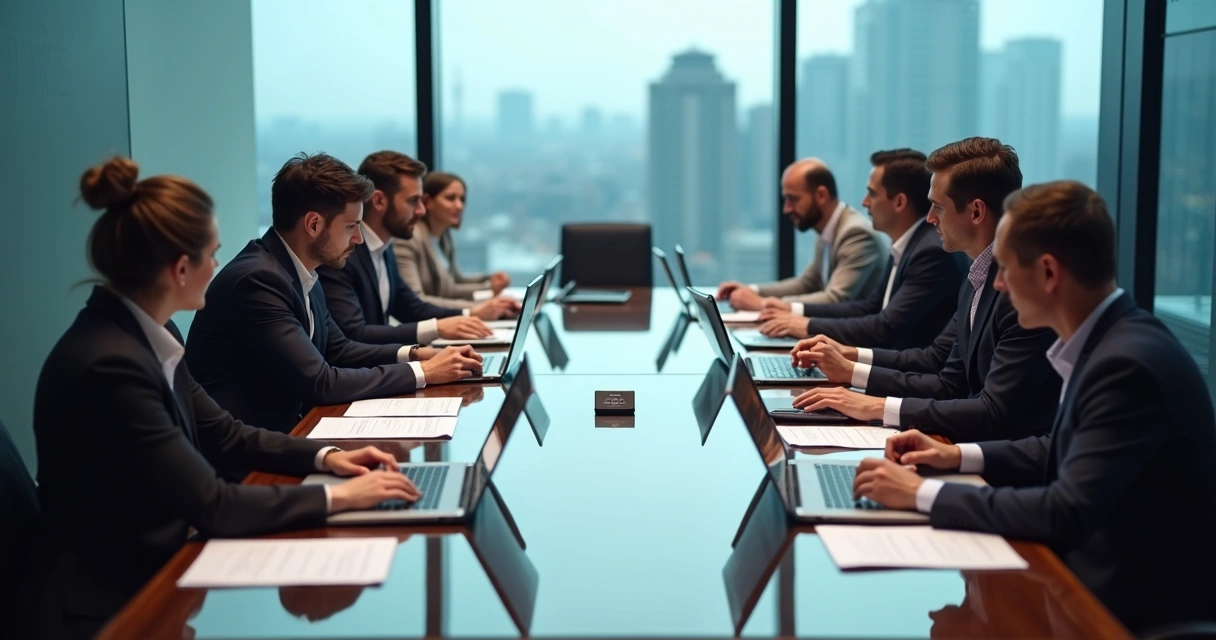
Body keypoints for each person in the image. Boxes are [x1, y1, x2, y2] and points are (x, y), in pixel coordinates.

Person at [12, 157, 422, 640]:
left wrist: (331, 458)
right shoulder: (111, 363)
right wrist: (336, 497)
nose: (219, 266)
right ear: (180, 268)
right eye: (213, 254)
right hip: (106, 603)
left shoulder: (149, 333)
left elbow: (224, 433)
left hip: (150, 562)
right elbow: (213, 504)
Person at [851, 180, 1216, 632]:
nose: (999, 284)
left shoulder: (1126, 364)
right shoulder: (1110, 339)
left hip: (1123, 612)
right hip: (1084, 585)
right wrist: (956, 455)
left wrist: (921, 494)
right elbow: (1058, 449)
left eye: (1004, 267)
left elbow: (1064, 511)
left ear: (1047, 273)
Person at [186, 153, 484, 433]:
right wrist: (425, 372)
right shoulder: (259, 280)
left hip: (288, 432)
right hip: (250, 454)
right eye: (351, 226)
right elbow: (321, 382)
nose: (357, 238)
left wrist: (419, 354)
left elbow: (339, 350)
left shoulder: (301, 269)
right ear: (314, 224)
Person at [792, 138, 1059, 443]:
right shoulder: (978, 275)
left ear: (975, 212)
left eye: (938, 207)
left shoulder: (1019, 292)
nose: (930, 218)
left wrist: (875, 404)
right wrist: (851, 366)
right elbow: (948, 377)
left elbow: (994, 413)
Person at [755, 149, 967, 348]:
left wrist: (806, 325)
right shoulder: (909, 244)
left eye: (872, 194)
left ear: (899, 202)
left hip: (906, 373)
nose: (864, 202)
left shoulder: (930, 252)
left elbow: (884, 328)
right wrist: (797, 314)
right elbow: (868, 307)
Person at [318, 151, 514, 345]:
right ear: (379, 201)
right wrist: (436, 331)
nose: (421, 210)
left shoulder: (384, 248)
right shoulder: (343, 253)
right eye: (413, 201)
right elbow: (355, 334)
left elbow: (412, 308)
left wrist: (468, 315)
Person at [716, 158, 886, 311]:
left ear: (821, 195)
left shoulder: (855, 233)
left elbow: (836, 298)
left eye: (793, 199)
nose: (786, 209)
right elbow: (808, 283)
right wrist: (751, 291)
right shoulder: (828, 228)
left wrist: (763, 304)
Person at [393, 171, 516, 311]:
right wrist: (476, 309)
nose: (459, 206)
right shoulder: (409, 239)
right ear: (428, 202)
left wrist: (489, 283)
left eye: (462, 199)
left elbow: (453, 284)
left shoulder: (444, 236)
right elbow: (416, 301)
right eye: (451, 198)